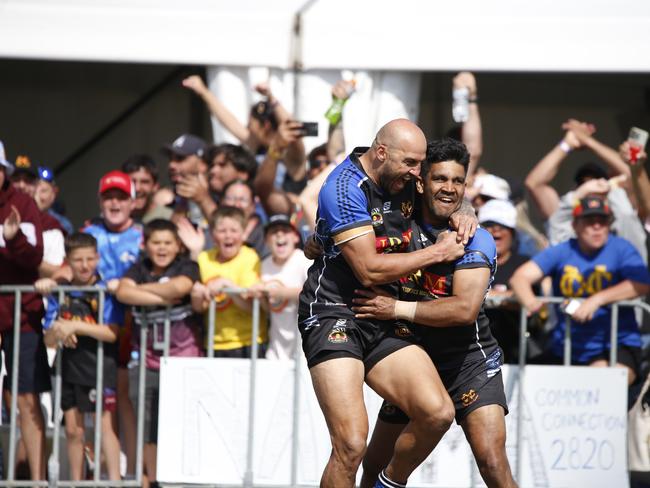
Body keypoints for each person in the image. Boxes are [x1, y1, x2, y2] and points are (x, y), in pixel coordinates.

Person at [298, 119, 475, 488]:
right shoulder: (343, 187)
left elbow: (448, 193)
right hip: (334, 311)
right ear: (381, 153)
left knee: (437, 413)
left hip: (381, 311)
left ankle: (386, 484)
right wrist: (437, 253)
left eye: (419, 164)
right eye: (411, 164)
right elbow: (368, 269)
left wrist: (466, 210)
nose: (417, 173)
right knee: (350, 444)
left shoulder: (407, 175)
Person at [352, 138, 517, 488]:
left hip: (470, 362)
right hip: (415, 358)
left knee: (492, 461)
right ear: (421, 182)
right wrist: (317, 240)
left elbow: (464, 310)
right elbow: (351, 218)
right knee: (373, 462)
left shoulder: (475, 238)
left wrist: (394, 307)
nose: (450, 188)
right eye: (441, 179)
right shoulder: (399, 220)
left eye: (458, 182)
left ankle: (390, 484)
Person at [510, 195, 650, 386]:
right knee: (526, 385)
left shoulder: (621, 248)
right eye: (590, 221)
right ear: (575, 225)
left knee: (601, 384)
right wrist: (531, 303)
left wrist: (597, 299)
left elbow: (641, 282)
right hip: (567, 345)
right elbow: (520, 277)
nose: (597, 226)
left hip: (616, 345)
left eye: (603, 221)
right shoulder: (563, 250)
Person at [116, 219, 202, 488]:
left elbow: (180, 288)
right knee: (148, 426)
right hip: (147, 361)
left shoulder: (187, 266)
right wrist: (161, 297)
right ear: (145, 245)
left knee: (182, 423)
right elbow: (122, 292)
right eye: (156, 243)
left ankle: (181, 480)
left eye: (167, 243)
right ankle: (152, 480)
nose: (162, 248)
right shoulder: (139, 268)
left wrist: (139, 292)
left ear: (178, 246)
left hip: (184, 361)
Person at [35, 232, 121, 481]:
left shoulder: (106, 290)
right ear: (67, 262)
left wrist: (75, 327)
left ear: (97, 258)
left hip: (99, 366)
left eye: (90, 259)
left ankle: (114, 480)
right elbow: (49, 338)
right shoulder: (60, 292)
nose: (85, 266)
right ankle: (75, 481)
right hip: (68, 367)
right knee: (73, 430)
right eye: (78, 260)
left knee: (104, 427)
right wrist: (58, 331)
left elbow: (111, 333)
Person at [83, 170, 143, 477]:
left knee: (124, 397)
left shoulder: (143, 236)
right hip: (92, 329)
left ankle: (131, 471)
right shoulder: (88, 232)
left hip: (132, 329)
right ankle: (105, 472)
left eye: (121, 197)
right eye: (109, 197)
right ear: (99, 201)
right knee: (97, 403)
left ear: (133, 202)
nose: (115, 203)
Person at [525, 118, 647, 261]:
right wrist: (567, 144)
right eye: (584, 184)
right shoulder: (565, 215)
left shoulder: (623, 212)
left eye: (597, 182)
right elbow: (534, 183)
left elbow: (630, 172)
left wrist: (588, 141)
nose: (591, 189)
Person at [0, 141, 48, 481]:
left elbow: (34, 260)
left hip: (21, 318)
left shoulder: (23, 204)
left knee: (27, 401)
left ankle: (36, 478)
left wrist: (14, 239)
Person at [191, 206, 266, 357]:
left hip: (248, 341)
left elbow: (252, 306)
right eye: (222, 230)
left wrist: (227, 286)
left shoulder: (249, 258)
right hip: (214, 342)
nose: (228, 236)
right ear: (212, 235)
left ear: (244, 234)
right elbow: (199, 308)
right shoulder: (204, 259)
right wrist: (197, 296)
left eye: (233, 230)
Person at [478, 199, 545, 363]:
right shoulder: (469, 262)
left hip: (517, 352)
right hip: (477, 350)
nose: (496, 230)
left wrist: (485, 296)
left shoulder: (525, 264)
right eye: (489, 225)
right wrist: (504, 297)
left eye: (502, 226)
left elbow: (532, 302)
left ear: (513, 233)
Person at [248, 214, 310, 359]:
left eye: (285, 230)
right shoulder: (264, 265)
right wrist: (259, 296)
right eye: (274, 232)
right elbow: (268, 307)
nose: (279, 234)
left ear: (295, 237)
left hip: (304, 345)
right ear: (266, 240)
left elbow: (314, 293)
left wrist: (282, 292)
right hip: (276, 348)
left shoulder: (303, 260)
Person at [121, 154, 162, 223]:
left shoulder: (168, 217)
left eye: (144, 182)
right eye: (132, 182)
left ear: (155, 187)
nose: (137, 188)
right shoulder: (112, 218)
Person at [34, 166, 74, 235]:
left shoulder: (64, 224)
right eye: (34, 191)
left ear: (53, 194)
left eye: (43, 191)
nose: (37, 196)